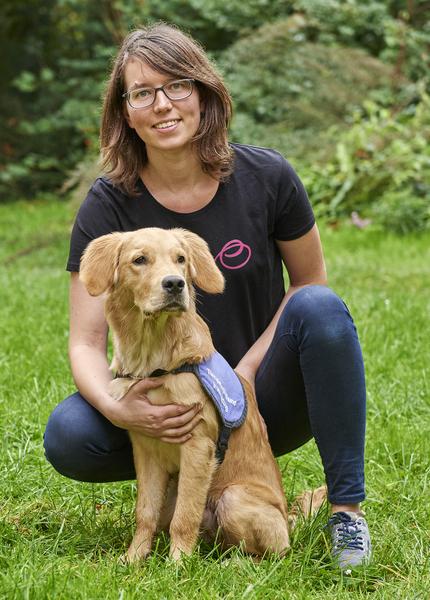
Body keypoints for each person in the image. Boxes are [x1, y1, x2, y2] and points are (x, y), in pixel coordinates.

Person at [44, 23, 371, 570]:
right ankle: (173, 486)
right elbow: (85, 341)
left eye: (177, 86)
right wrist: (121, 408)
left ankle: (345, 512)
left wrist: (238, 379)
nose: (162, 104)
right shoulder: (107, 206)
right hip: (159, 398)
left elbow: (311, 283)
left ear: (203, 94)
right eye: (142, 92)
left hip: (261, 396)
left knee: (321, 308)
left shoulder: (267, 176)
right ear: (126, 112)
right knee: (69, 432)